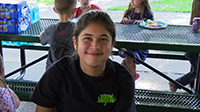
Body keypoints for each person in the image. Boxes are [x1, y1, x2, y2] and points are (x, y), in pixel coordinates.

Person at [30, 10, 136, 112]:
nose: (95, 46)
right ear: (75, 43)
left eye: (103, 39)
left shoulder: (123, 79)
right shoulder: (57, 73)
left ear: (112, 44)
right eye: (87, 38)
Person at [169, 0, 200, 92]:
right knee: (197, 71)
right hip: (193, 51)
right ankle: (176, 83)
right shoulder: (197, 22)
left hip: (193, 49)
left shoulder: (195, 19)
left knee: (196, 71)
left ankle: (177, 83)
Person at [119, 0, 154, 81]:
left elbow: (151, 32)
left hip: (140, 48)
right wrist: (124, 21)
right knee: (124, 64)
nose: (131, 1)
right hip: (129, 45)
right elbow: (123, 31)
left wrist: (145, 23)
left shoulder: (148, 14)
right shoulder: (129, 12)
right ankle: (128, 81)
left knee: (127, 59)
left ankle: (133, 77)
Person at [40, 0, 77, 69]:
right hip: (72, 71)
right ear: (74, 10)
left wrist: (42, 33)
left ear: (55, 10)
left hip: (52, 71)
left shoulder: (50, 30)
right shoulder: (77, 29)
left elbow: (42, 40)